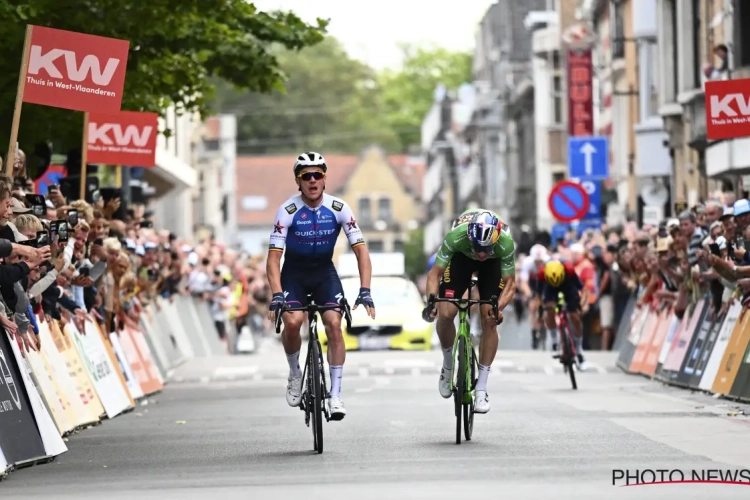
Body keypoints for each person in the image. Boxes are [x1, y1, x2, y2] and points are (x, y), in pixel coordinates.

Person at [266, 151, 375, 421]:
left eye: (318, 175)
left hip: (324, 273)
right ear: (298, 181)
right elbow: (273, 260)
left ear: (325, 179)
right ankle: (294, 373)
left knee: (334, 325)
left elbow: (362, 251)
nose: (312, 180)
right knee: (293, 322)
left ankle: (335, 395)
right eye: (306, 176)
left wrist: (365, 290)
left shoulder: (339, 208)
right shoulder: (288, 210)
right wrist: (277, 294)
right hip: (294, 274)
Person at [422, 209, 517, 414]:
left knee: (489, 318)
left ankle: (481, 388)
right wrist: (431, 303)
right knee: (446, 313)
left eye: (486, 248)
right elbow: (434, 274)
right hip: (461, 258)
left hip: (493, 266)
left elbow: (510, 284)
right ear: (470, 237)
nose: (481, 253)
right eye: (478, 248)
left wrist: (498, 308)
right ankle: (448, 366)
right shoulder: (456, 236)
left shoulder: (505, 242)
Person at [538, 259, 588, 371]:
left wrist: (582, 304)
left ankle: (579, 350)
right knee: (549, 311)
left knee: (574, 317)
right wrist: (542, 309)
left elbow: (583, 290)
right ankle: (555, 341)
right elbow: (539, 296)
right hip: (550, 288)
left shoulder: (569, 271)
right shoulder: (542, 273)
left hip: (568, 287)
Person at [518, 244, 550, 349]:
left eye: (541, 261)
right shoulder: (527, 262)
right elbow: (524, 282)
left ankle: (544, 322)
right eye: (537, 261)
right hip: (532, 284)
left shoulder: (548, 262)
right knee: (532, 307)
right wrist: (529, 294)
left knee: (547, 305)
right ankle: (534, 332)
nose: (539, 263)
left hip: (545, 282)